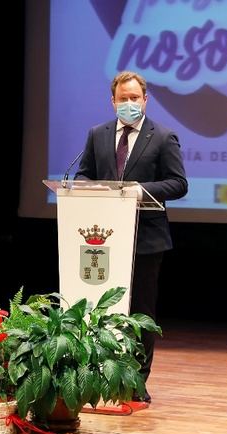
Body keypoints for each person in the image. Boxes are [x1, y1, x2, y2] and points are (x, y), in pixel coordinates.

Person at [75, 70, 188, 402]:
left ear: (145, 100)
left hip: (146, 238)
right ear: (113, 101)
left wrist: (139, 190)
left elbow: (179, 184)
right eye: (122, 99)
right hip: (103, 238)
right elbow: (84, 175)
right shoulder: (98, 134)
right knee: (102, 308)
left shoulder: (163, 137)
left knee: (140, 312)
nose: (128, 103)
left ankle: (136, 382)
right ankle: (99, 376)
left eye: (134, 98)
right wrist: (91, 189)